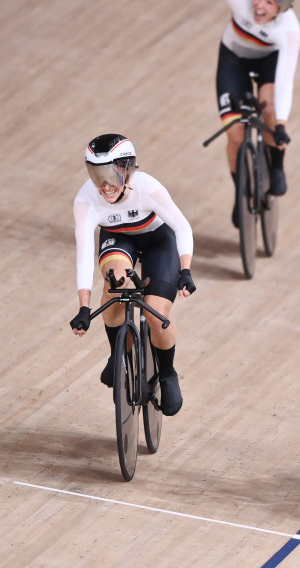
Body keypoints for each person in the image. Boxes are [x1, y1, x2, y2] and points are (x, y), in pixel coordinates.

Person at [164, 0, 300, 226]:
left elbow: (285, 80)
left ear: (283, 7)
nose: (259, 7)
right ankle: (241, 192)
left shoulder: (289, 30)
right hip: (233, 60)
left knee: (270, 109)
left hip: (268, 62)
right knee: (235, 134)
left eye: (269, 3)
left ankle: (276, 167)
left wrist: (279, 126)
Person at [69, 134, 196, 416]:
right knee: (115, 284)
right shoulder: (86, 200)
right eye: (95, 174)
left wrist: (185, 269)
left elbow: (183, 229)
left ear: (126, 170)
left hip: (157, 241)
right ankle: (119, 354)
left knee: (155, 314)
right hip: (118, 240)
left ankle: (167, 373)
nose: (103, 185)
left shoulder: (148, 188)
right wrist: (83, 306)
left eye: (109, 174)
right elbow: (83, 256)